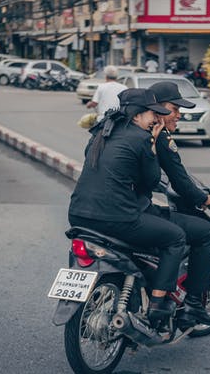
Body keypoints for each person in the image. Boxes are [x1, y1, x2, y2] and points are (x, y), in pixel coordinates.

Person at [68, 88, 187, 325]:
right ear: (136, 115)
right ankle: (157, 304)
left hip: (78, 215)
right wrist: (152, 146)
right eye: (152, 114)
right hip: (117, 218)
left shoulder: (101, 132)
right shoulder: (142, 138)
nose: (155, 119)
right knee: (175, 237)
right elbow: (152, 181)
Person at [147, 81, 210, 325]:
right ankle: (192, 304)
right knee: (206, 232)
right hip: (131, 213)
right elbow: (180, 182)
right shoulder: (159, 137)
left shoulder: (120, 131)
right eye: (174, 109)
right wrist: (204, 198)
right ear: (156, 108)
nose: (179, 115)